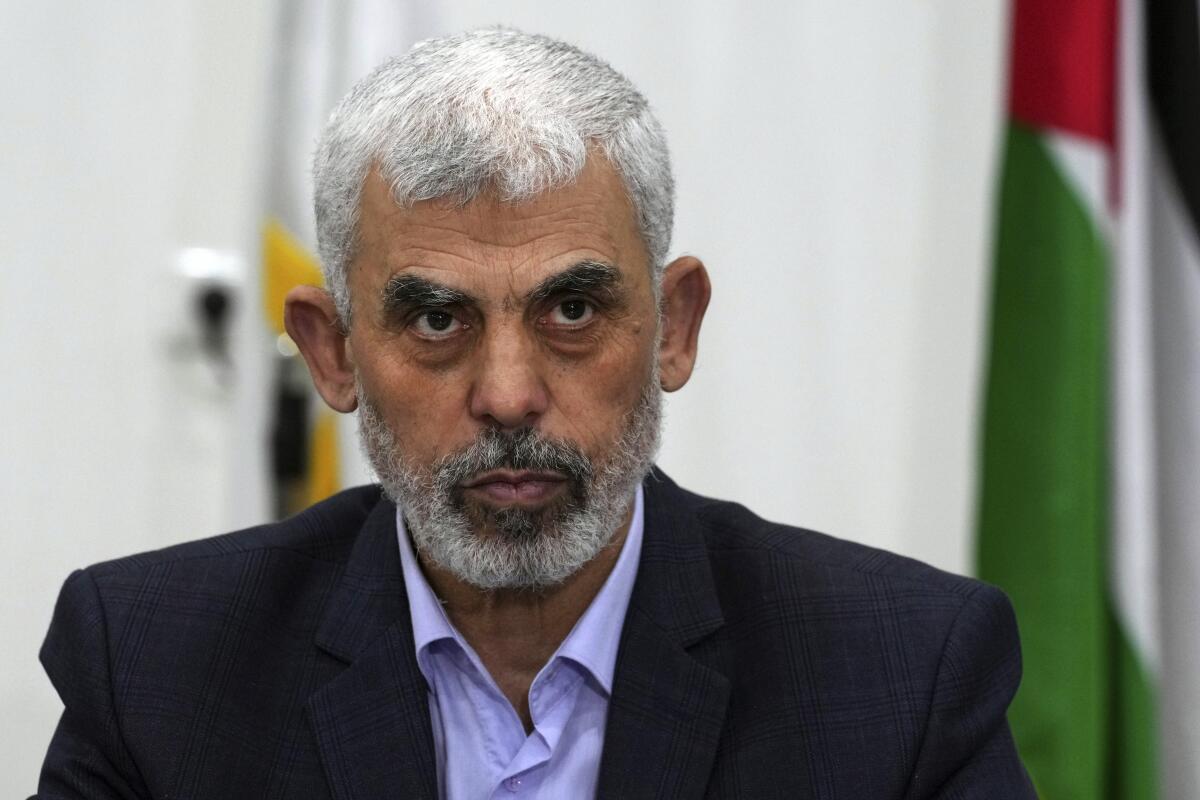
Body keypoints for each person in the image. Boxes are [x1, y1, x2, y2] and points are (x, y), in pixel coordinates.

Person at [34, 28, 1035, 799]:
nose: (508, 393)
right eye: (435, 317)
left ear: (673, 327)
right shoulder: (156, 671)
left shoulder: (903, 675)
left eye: (572, 309)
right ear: (333, 350)